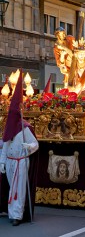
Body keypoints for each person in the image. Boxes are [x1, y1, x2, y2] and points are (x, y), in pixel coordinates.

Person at [0, 70, 39, 226]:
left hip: (21, 162)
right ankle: (11, 212)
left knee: (19, 189)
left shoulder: (25, 128)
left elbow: (36, 145)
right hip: (10, 161)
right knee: (11, 188)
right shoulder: (8, 129)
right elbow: (5, 145)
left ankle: (17, 215)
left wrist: (28, 146)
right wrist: (2, 163)